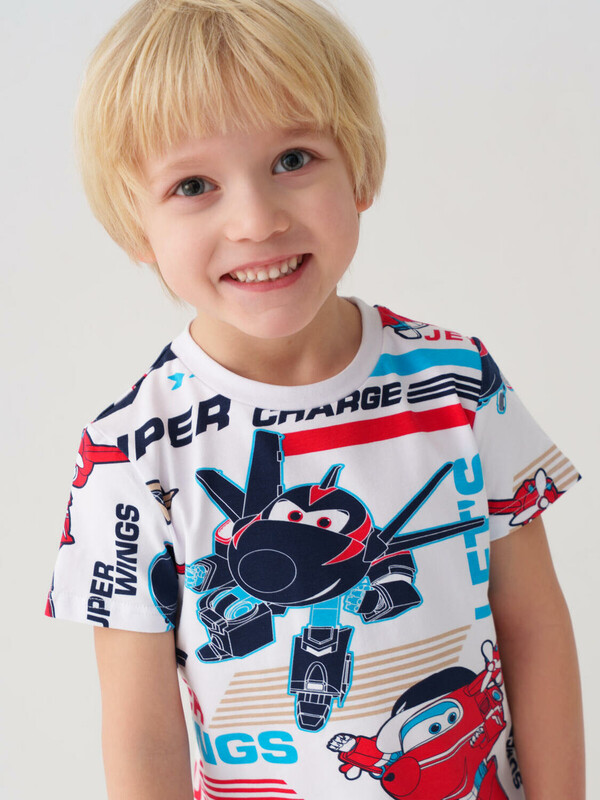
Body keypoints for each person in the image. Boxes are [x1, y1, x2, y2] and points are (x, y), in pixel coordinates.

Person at [45, 1, 585, 798]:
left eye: (293, 159)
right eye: (193, 185)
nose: (256, 220)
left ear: (359, 167)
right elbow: (141, 733)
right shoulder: (129, 454)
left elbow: (535, 630)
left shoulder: (458, 381)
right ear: (137, 227)